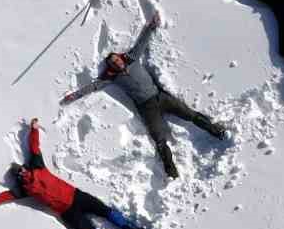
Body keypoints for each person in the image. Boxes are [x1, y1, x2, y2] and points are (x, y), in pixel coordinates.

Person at [61, 12, 228, 179]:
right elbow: (93, 86)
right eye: (113, 63)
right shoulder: (110, 77)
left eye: (117, 59)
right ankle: (172, 172)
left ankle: (216, 131)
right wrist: (73, 96)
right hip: (147, 109)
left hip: (161, 97)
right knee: (160, 140)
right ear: (111, 66)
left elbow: (141, 42)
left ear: (120, 57)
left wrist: (151, 25)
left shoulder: (132, 58)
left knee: (190, 115)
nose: (116, 62)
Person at [0, 119, 146, 229]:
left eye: (22, 169)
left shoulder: (37, 166)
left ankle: (130, 228)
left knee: (104, 210)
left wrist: (34, 130)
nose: (23, 172)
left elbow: (34, 148)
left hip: (76, 196)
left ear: (25, 167)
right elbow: (4, 196)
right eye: (19, 173)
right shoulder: (24, 191)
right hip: (67, 211)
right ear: (18, 178)